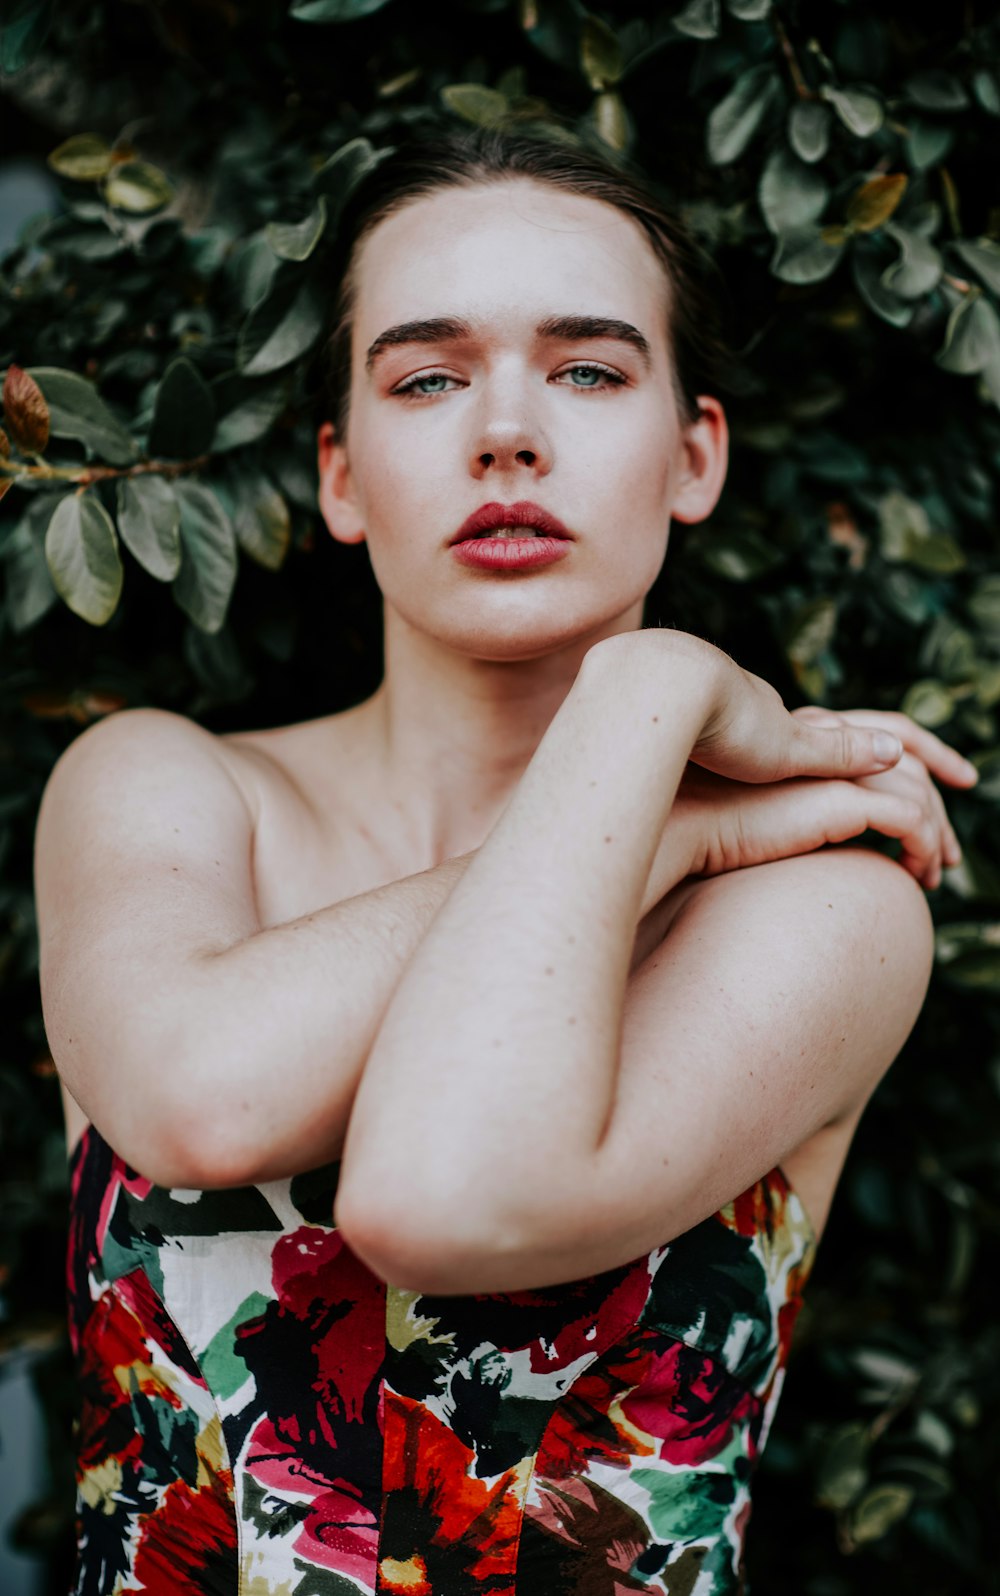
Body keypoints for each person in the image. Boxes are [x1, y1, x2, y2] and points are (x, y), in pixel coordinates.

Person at [34, 126, 977, 1595]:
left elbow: (441, 1200)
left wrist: (638, 694)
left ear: (695, 456)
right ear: (340, 479)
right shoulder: (165, 791)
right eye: (427, 377)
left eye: (590, 369)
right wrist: (671, 813)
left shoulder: (826, 908)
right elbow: (202, 1105)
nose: (507, 432)